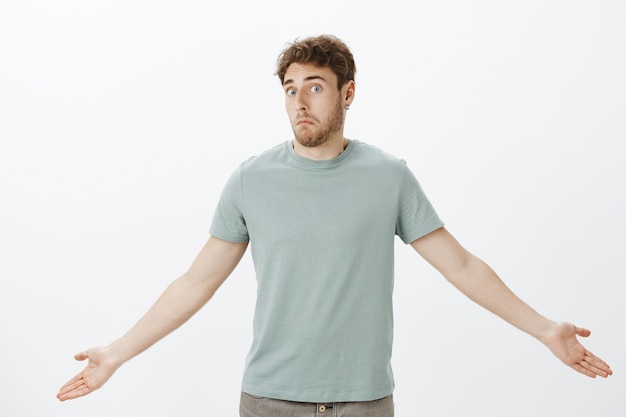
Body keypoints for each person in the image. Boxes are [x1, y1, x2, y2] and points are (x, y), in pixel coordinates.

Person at [57, 34, 612, 416]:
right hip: (269, 400)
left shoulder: (389, 176)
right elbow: (195, 283)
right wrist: (119, 350)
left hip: (365, 401)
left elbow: (461, 266)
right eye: (290, 89)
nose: (300, 101)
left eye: (315, 86)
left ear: (347, 93)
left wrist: (543, 328)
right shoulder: (251, 180)